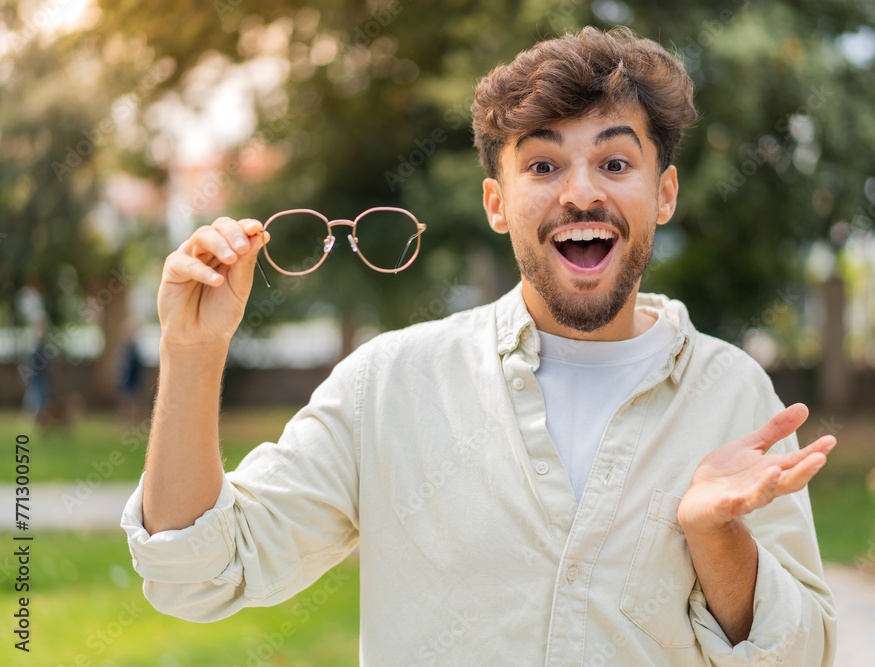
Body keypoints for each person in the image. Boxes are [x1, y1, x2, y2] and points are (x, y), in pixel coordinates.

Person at [122, 26, 837, 665]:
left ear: (664, 193)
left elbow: (803, 655)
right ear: (496, 201)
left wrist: (717, 539)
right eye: (543, 166)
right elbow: (197, 570)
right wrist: (191, 350)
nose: (581, 193)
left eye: (615, 164)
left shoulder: (733, 395)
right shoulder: (390, 385)